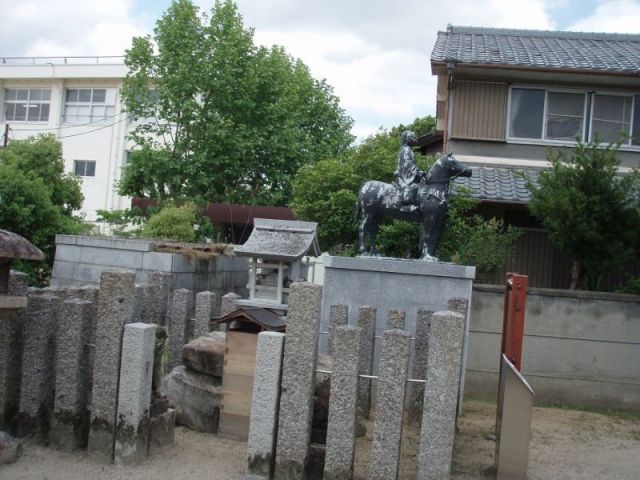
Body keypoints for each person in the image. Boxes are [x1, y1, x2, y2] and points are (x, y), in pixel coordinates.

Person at [394, 130, 424, 205]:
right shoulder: (406, 150)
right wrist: (418, 172)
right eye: (413, 137)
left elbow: (411, 164)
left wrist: (419, 172)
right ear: (408, 139)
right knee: (413, 187)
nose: (415, 139)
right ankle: (406, 205)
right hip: (403, 175)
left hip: (408, 173)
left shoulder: (409, 150)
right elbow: (408, 164)